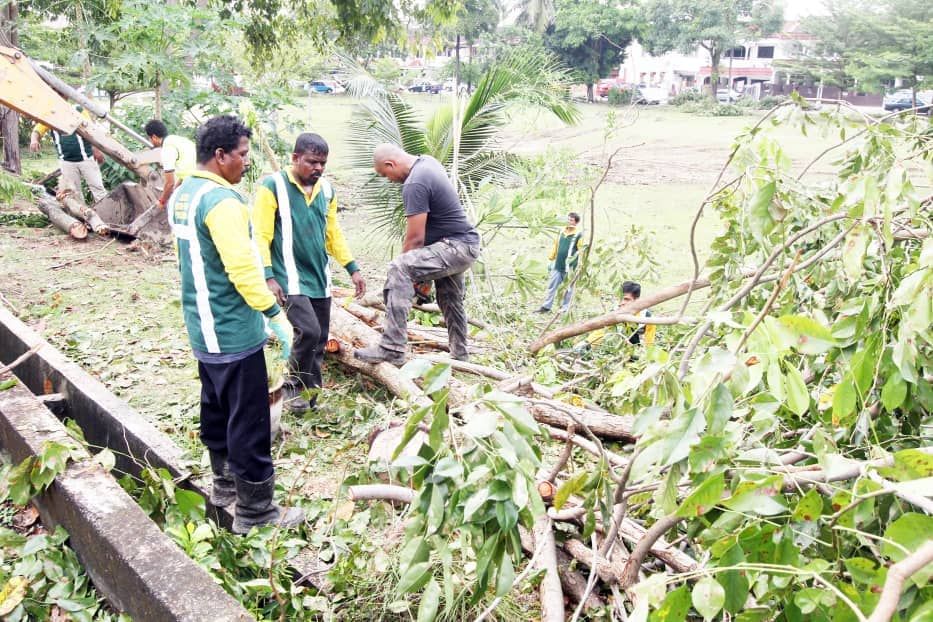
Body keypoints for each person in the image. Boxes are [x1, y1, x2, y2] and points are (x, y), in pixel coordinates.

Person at [167, 115, 303, 534]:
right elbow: (243, 270)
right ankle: (257, 513)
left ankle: (224, 487)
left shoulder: (184, 194)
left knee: (216, 408)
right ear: (221, 155)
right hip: (232, 332)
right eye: (242, 155)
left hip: (202, 328)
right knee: (248, 420)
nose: (246, 163)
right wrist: (274, 315)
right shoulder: (224, 202)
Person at [253, 133, 366, 413]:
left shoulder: (326, 191)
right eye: (312, 162)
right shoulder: (273, 186)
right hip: (288, 276)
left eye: (323, 163)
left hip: (319, 278)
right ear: (294, 158)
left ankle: (309, 394)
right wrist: (268, 275)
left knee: (320, 338)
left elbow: (333, 234)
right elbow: (261, 234)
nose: (317, 168)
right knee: (308, 331)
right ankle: (293, 388)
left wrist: (352, 267)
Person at [354, 144, 481, 364]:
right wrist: (422, 279)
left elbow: (415, 240)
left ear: (390, 164)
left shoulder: (414, 182)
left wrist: (411, 277)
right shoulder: (428, 162)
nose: (389, 179)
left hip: (455, 247)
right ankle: (460, 356)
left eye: (386, 174)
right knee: (450, 298)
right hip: (462, 245)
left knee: (399, 267)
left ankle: (392, 347)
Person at [30, 105, 107, 203]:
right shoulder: (49, 113)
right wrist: (34, 140)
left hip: (86, 158)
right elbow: (37, 131)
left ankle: (107, 214)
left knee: (98, 189)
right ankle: (82, 216)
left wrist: (96, 149)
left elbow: (90, 129)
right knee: (73, 193)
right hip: (66, 162)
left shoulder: (77, 110)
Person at [581, 280, 656, 350]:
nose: (622, 303)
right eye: (620, 299)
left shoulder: (646, 317)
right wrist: (585, 346)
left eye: (627, 299)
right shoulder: (616, 312)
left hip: (636, 352)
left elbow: (649, 345)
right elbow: (600, 333)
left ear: (637, 300)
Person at [536, 212, 583, 314]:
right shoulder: (561, 232)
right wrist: (551, 258)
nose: (568, 222)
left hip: (570, 268)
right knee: (552, 286)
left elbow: (581, 251)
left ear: (576, 223)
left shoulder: (578, 235)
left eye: (571, 220)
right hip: (557, 265)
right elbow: (556, 246)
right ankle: (546, 307)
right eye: (568, 219)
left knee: (568, 288)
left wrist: (580, 264)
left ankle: (565, 308)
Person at [144, 119, 196, 208]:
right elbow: (186, 170)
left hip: (191, 186)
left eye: (149, 138)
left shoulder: (167, 148)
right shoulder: (179, 140)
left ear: (154, 137)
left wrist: (162, 202)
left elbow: (169, 183)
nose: (150, 141)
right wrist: (174, 191)